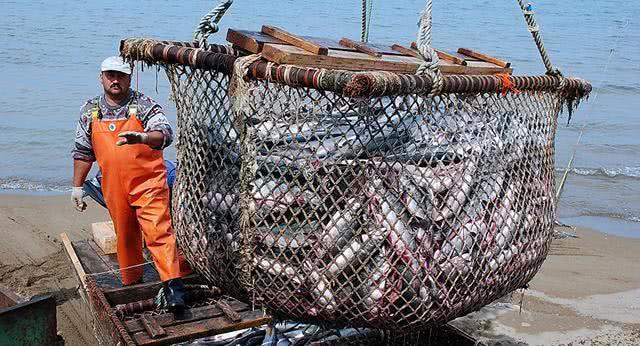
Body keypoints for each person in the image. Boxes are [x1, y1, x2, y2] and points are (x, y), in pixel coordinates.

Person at [71, 56, 190, 312]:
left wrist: (144, 137)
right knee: (125, 236)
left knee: (158, 232)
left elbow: (165, 133)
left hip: (148, 182)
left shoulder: (144, 105)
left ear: (129, 77)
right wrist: (77, 187)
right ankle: (132, 281)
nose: (116, 80)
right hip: (113, 186)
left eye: (121, 75)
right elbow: (83, 151)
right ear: (101, 76)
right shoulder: (90, 110)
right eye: (110, 75)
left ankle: (173, 287)